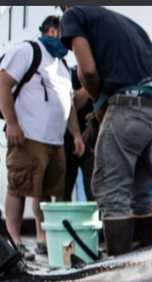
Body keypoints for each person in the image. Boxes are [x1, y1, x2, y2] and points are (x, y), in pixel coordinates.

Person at [60, 6, 152, 255]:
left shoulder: (75, 15)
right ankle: (143, 261)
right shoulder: (132, 27)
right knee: (140, 191)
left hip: (127, 107)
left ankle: (119, 268)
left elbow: (87, 71)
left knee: (112, 189)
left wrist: (99, 104)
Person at [0, 15, 84, 259]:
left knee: (46, 191)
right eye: (60, 32)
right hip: (28, 136)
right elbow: (2, 82)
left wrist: (76, 134)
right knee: (19, 186)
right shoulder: (28, 51)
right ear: (51, 31)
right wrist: (12, 123)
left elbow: (70, 105)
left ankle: (43, 238)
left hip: (55, 141)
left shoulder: (63, 65)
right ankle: (14, 241)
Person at [64, 65, 94, 202]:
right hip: (69, 140)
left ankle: (97, 223)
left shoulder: (105, 74)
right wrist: (90, 83)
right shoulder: (70, 73)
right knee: (64, 190)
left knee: (93, 191)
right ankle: (62, 222)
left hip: (93, 142)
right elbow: (73, 103)